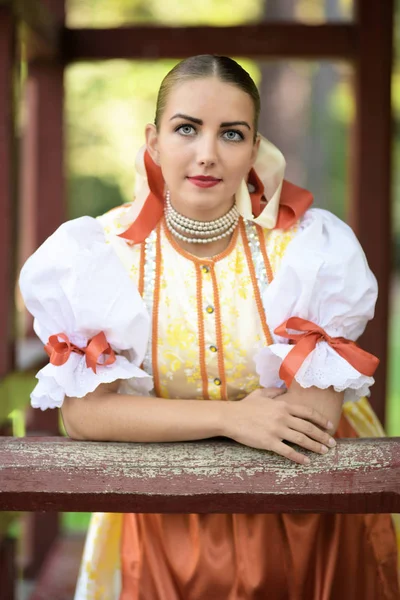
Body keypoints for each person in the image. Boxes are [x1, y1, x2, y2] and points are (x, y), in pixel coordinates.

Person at [19, 55, 399, 600]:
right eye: (186, 129)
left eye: (231, 134)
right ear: (153, 141)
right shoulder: (99, 255)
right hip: (165, 516)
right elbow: (84, 415)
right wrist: (232, 417)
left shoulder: (310, 248)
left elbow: (312, 419)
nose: (207, 155)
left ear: (254, 148)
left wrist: (149, 417)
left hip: (309, 510)